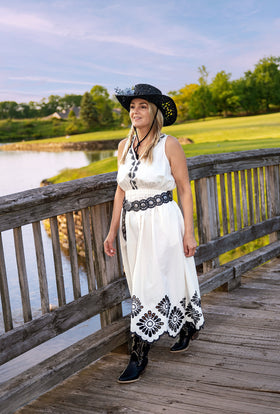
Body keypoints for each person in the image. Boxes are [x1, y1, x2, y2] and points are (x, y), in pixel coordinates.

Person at [104, 84, 204, 384]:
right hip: (132, 227)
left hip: (162, 220)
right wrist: (111, 233)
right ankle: (187, 325)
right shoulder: (123, 147)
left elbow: (184, 189)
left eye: (142, 106)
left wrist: (189, 232)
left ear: (154, 111)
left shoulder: (168, 144)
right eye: (132, 106)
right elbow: (120, 191)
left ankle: (139, 354)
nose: (135, 111)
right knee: (142, 282)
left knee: (158, 279)